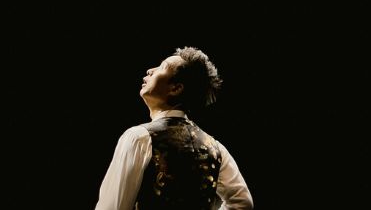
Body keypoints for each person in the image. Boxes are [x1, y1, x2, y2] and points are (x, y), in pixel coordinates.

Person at [94, 46, 254, 210]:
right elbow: (242, 203)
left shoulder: (139, 137)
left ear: (176, 88)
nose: (150, 70)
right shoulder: (216, 149)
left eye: (162, 67)